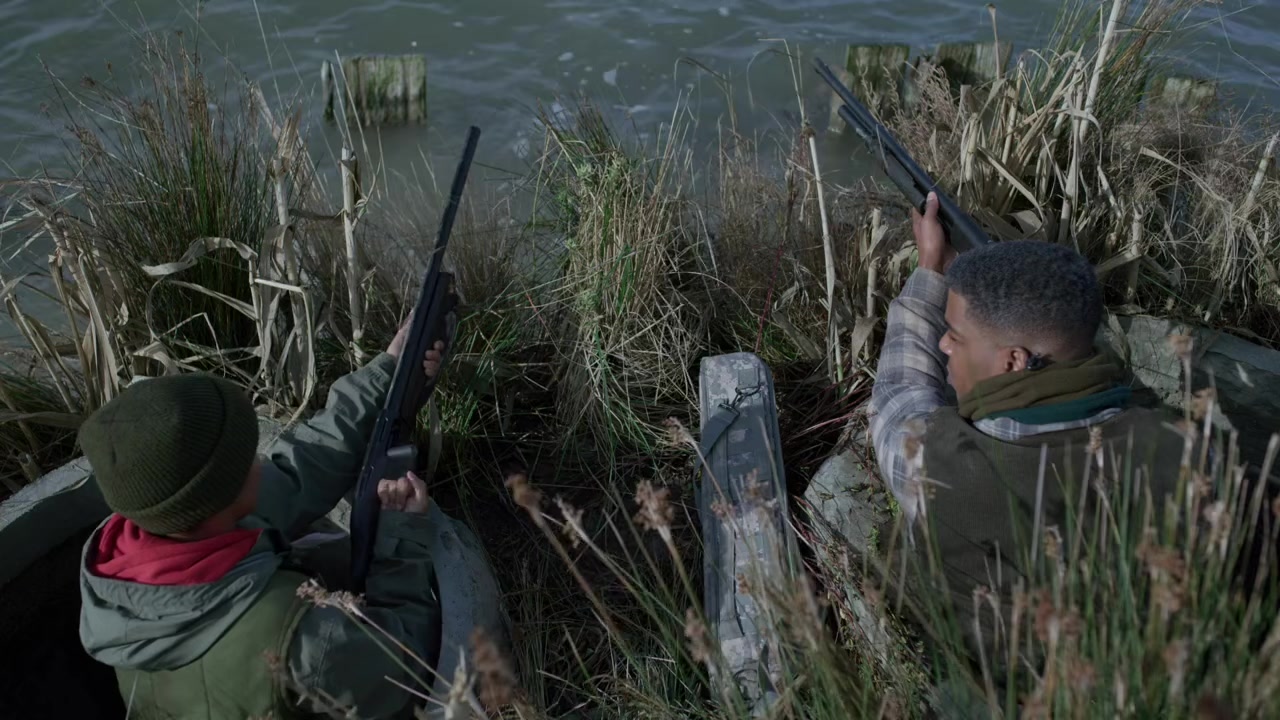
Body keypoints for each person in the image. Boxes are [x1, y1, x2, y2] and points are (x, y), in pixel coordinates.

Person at [76, 322, 451, 719]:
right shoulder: (305, 645)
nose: (260, 459)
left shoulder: (143, 541)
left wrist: (387, 369)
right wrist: (400, 537)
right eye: (247, 454)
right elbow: (407, 667)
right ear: (221, 491)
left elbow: (299, 469)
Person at [865, 192, 1189, 652]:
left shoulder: (940, 465)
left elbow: (897, 391)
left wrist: (930, 269)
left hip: (998, 678)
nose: (944, 345)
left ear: (1014, 360)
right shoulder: (1181, 451)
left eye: (955, 335)